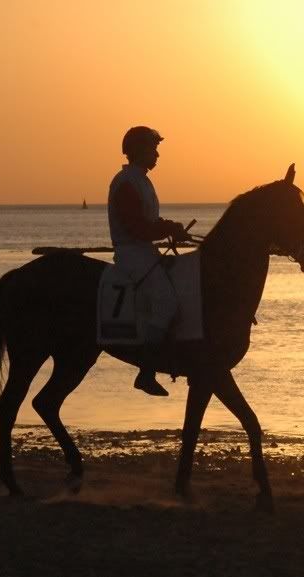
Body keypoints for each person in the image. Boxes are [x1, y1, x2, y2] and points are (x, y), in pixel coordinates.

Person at [107, 126, 189, 396]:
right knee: (167, 302)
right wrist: (168, 229)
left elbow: (148, 224)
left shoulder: (141, 180)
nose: (157, 155)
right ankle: (147, 370)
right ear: (139, 151)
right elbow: (137, 228)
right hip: (132, 253)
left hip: (144, 251)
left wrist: (170, 228)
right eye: (153, 149)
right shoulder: (127, 182)